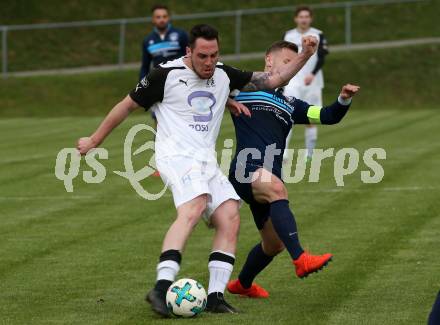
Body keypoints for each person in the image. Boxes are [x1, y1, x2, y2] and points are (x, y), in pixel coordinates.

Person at [76, 25, 318, 316]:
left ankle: (216, 297)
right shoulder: (165, 75)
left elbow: (273, 78)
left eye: (214, 55)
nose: (208, 62)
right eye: (202, 56)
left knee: (230, 214)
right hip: (176, 156)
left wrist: (305, 54)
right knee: (195, 205)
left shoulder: (223, 74)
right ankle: (161, 288)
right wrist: (94, 140)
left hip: (206, 160)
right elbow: (125, 106)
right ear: (189, 51)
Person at [225, 40, 359, 298]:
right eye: (287, 63)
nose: (292, 69)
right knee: (277, 190)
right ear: (268, 61)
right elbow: (209, 89)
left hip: (268, 172)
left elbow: (328, 116)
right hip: (246, 166)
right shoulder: (243, 88)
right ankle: (301, 259)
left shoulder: (290, 103)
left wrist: (343, 99)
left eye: (295, 65)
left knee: (273, 245)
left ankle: (242, 284)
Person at [140, 4, 188, 165]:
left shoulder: (180, 35)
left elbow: (190, 58)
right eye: (158, 17)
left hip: (180, 85)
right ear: (153, 20)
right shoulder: (148, 41)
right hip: (158, 87)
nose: (161, 19)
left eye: (164, 16)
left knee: (183, 122)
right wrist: (143, 88)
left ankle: (184, 159)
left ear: (169, 18)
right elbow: (144, 66)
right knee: (159, 124)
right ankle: (161, 163)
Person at [283, 5, 329, 163]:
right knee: (287, 115)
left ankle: (309, 155)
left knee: (311, 118)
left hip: (313, 83)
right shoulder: (288, 35)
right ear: (296, 18)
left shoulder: (318, 34)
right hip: (293, 82)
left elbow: (322, 57)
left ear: (310, 18)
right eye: (301, 16)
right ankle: (283, 154)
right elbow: (283, 57)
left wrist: (312, 74)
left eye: (306, 17)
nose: (303, 19)